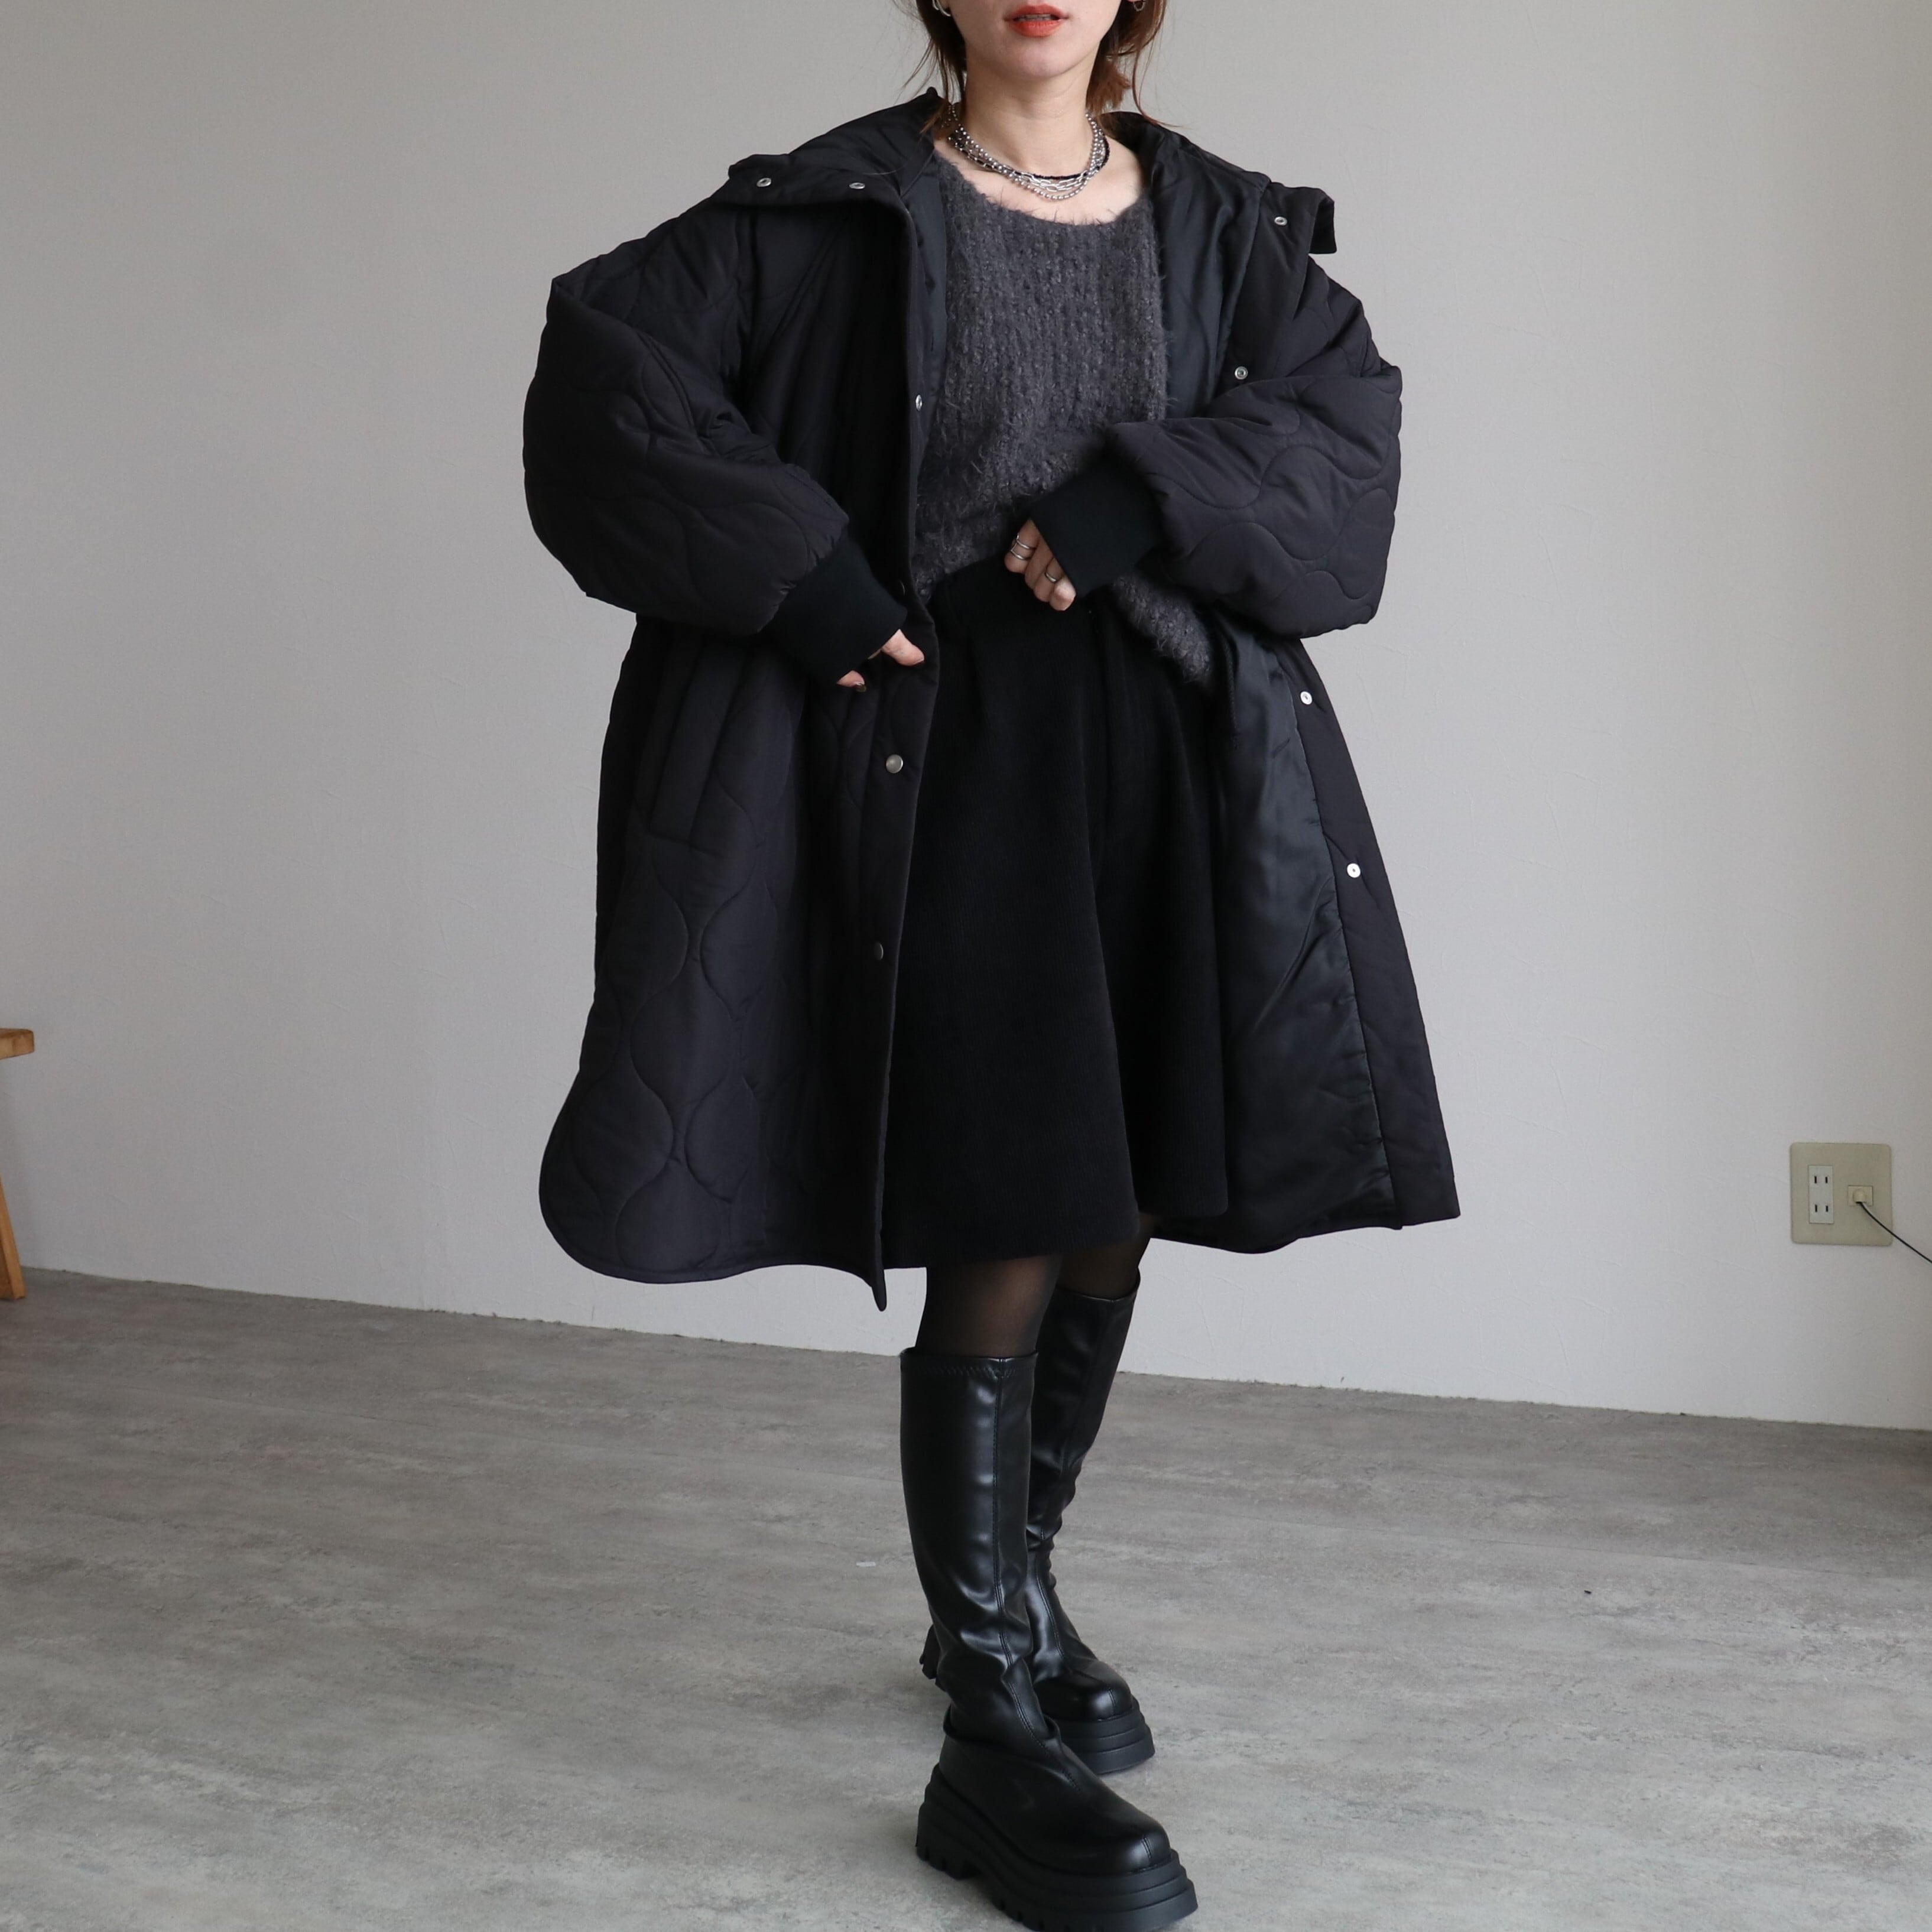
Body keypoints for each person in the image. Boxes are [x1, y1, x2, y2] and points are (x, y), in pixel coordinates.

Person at [524, 2, 1457, 1923]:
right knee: (1016, 1197)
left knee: (1118, 1200)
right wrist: (803, 576)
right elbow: (609, 374)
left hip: (1167, 753)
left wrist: (1148, 491)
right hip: (950, 754)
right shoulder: (826, 212)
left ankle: (1011, 1601)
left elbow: (1344, 454)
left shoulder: (1227, 227)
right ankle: (987, 1727)